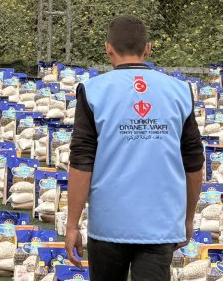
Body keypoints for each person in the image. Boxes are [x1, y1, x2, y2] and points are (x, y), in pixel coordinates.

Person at [64, 15, 204, 279]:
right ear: (148, 48)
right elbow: (194, 162)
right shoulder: (179, 91)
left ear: (108, 48)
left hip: (108, 223)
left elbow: (82, 160)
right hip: (160, 223)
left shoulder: (94, 91)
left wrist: (72, 225)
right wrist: (187, 218)